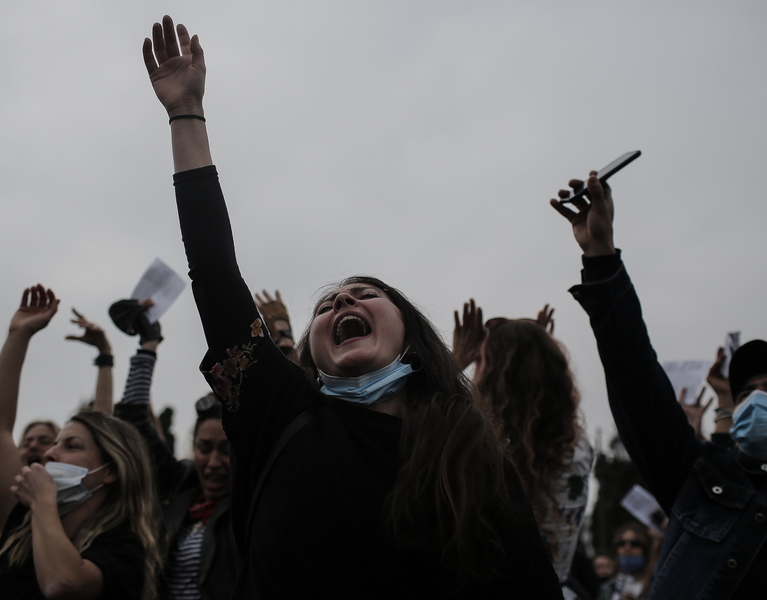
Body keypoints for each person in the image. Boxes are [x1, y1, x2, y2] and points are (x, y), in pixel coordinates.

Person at [142, 15, 561, 598]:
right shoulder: (276, 412)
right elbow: (214, 274)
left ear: (411, 336)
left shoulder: (469, 449)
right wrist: (186, 114)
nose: (342, 298)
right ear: (310, 352)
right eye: (329, 303)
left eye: (366, 294)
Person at [551, 170, 767, 598]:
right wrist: (601, 257)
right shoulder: (705, 483)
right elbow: (637, 382)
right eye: (745, 395)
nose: (759, 399)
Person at [0, 284, 160, 600]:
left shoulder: (123, 547)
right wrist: (19, 334)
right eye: (54, 444)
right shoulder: (21, 522)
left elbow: (64, 584)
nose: (49, 454)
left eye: (71, 446)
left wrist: (44, 502)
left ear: (111, 470)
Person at [454, 300, 594, 599]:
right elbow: (534, 408)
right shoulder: (579, 448)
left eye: (480, 362)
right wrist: (534, 344)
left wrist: (454, 362)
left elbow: (412, 421)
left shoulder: (476, 446)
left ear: (491, 374)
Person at [113, 322, 239, 600]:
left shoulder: (252, 503)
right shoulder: (179, 486)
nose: (214, 462)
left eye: (226, 450)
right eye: (204, 449)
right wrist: (148, 346)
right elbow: (132, 421)